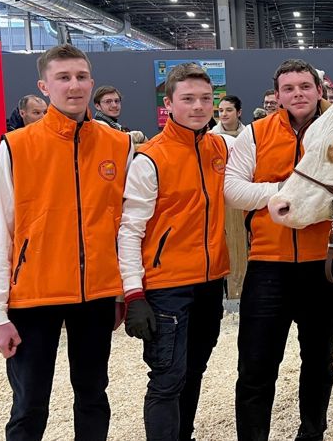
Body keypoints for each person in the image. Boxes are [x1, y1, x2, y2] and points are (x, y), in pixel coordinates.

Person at [0, 44, 133, 441]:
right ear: (44, 86)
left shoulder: (119, 145)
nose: (74, 85)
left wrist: (122, 291)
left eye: (81, 77)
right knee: (30, 405)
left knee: (93, 396)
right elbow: (1, 228)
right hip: (34, 295)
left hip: (96, 293)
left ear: (92, 83)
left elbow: (124, 226)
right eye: (63, 78)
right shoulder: (16, 146)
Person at [225, 59, 333, 441]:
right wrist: (289, 192)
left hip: (328, 261)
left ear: (319, 89)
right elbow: (232, 188)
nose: (297, 93)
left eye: (304, 86)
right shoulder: (255, 134)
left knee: (319, 360)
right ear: (277, 95)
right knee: (255, 365)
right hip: (269, 263)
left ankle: (312, 434)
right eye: (289, 88)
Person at [118, 63, 230, 441]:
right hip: (167, 287)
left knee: (194, 370)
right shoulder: (150, 158)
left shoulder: (219, 148)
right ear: (168, 104)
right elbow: (130, 230)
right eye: (188, 99)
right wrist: (134, 293)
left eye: (205, 98)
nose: (198, 106)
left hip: (210, 282)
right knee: (167, 378)